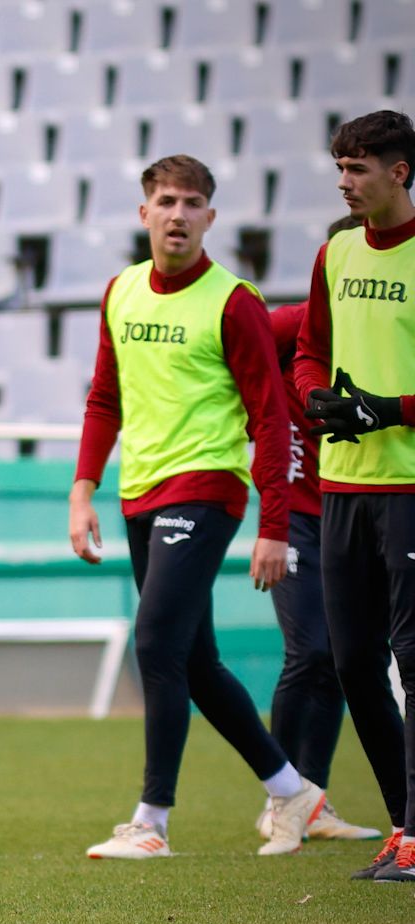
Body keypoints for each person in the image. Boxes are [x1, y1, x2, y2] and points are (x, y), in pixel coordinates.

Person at [68, 154, 323, 860]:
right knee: (197, 659)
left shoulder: (233, 301)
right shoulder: (120, 292)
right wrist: (82, 487)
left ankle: (152, 820)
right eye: (166, 201)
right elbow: (104, 397)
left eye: (192, 202)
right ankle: (291, 787)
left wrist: (274, 526)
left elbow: (271, 417)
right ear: (143, 213)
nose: (178, 214)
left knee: (153, 641)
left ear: (211, 216)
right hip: (138, 493)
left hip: (207, 487)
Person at [294, 109, 415, 883]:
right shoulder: (335, 251)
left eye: (360, 166)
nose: (345, 180)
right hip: (343, 486)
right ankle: (406, 826)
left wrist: (389, 409)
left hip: (408, 483)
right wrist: (316, 399)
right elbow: (310, 348)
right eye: (340, 165)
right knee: (353, 662)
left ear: (400, 172)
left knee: (413, 654)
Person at [255, 215, 379, 845]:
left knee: (336, 661)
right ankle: (281, 800)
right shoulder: (294, 323)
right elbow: (235, 350)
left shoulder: (383, 327)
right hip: (296, 517)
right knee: (308, 653)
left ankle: (314, 800)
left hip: (349, 507)